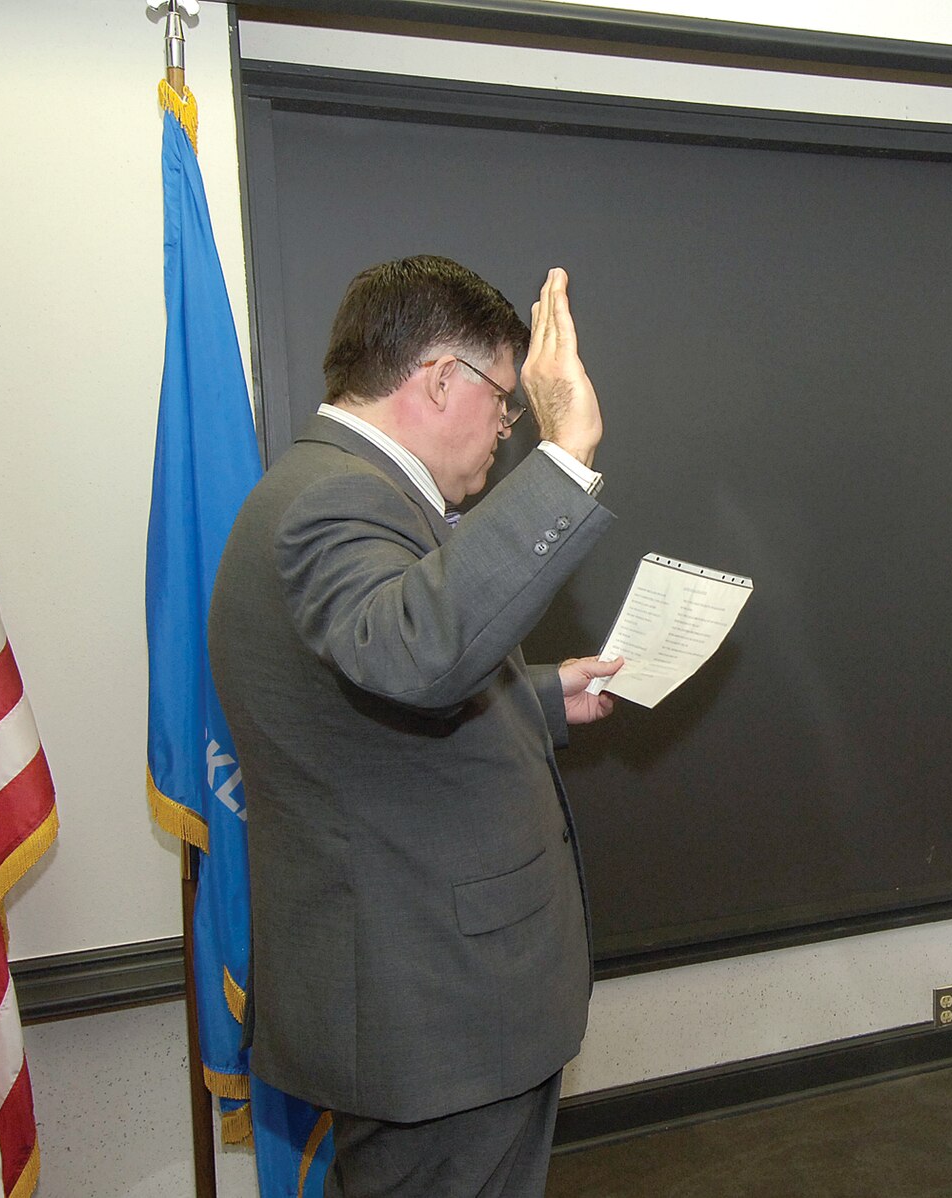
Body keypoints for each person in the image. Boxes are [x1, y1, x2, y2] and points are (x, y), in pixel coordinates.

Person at [208, 256, 622, 1198]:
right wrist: (565, 455)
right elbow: (420, 654)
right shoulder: (334, 500)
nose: (506, 429)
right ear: (442, 380)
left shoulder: (344, 491)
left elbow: (368, 705)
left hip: (438, 1007)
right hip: (432, 1015)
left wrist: (550, 695)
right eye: (507, 403)